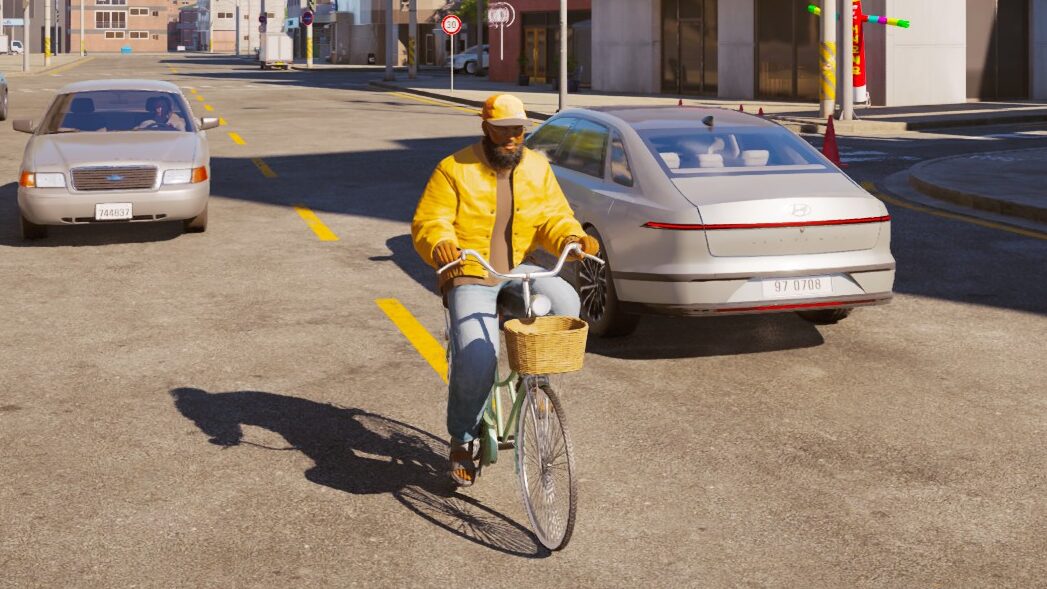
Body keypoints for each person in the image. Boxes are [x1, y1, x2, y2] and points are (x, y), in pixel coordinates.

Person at [411, 93, 599, 487]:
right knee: (479, 353)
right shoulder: (453, 169)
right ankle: (462, 438)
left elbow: (553, 216)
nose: (513, 140)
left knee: (566, 304)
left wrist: (572, 237)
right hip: (470, 270)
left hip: (516, 269)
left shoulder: (535, 166)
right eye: (504, 132)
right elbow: (431, 221)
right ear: (486, 129)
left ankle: (530, 381)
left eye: (518, 131)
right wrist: (440, 243)